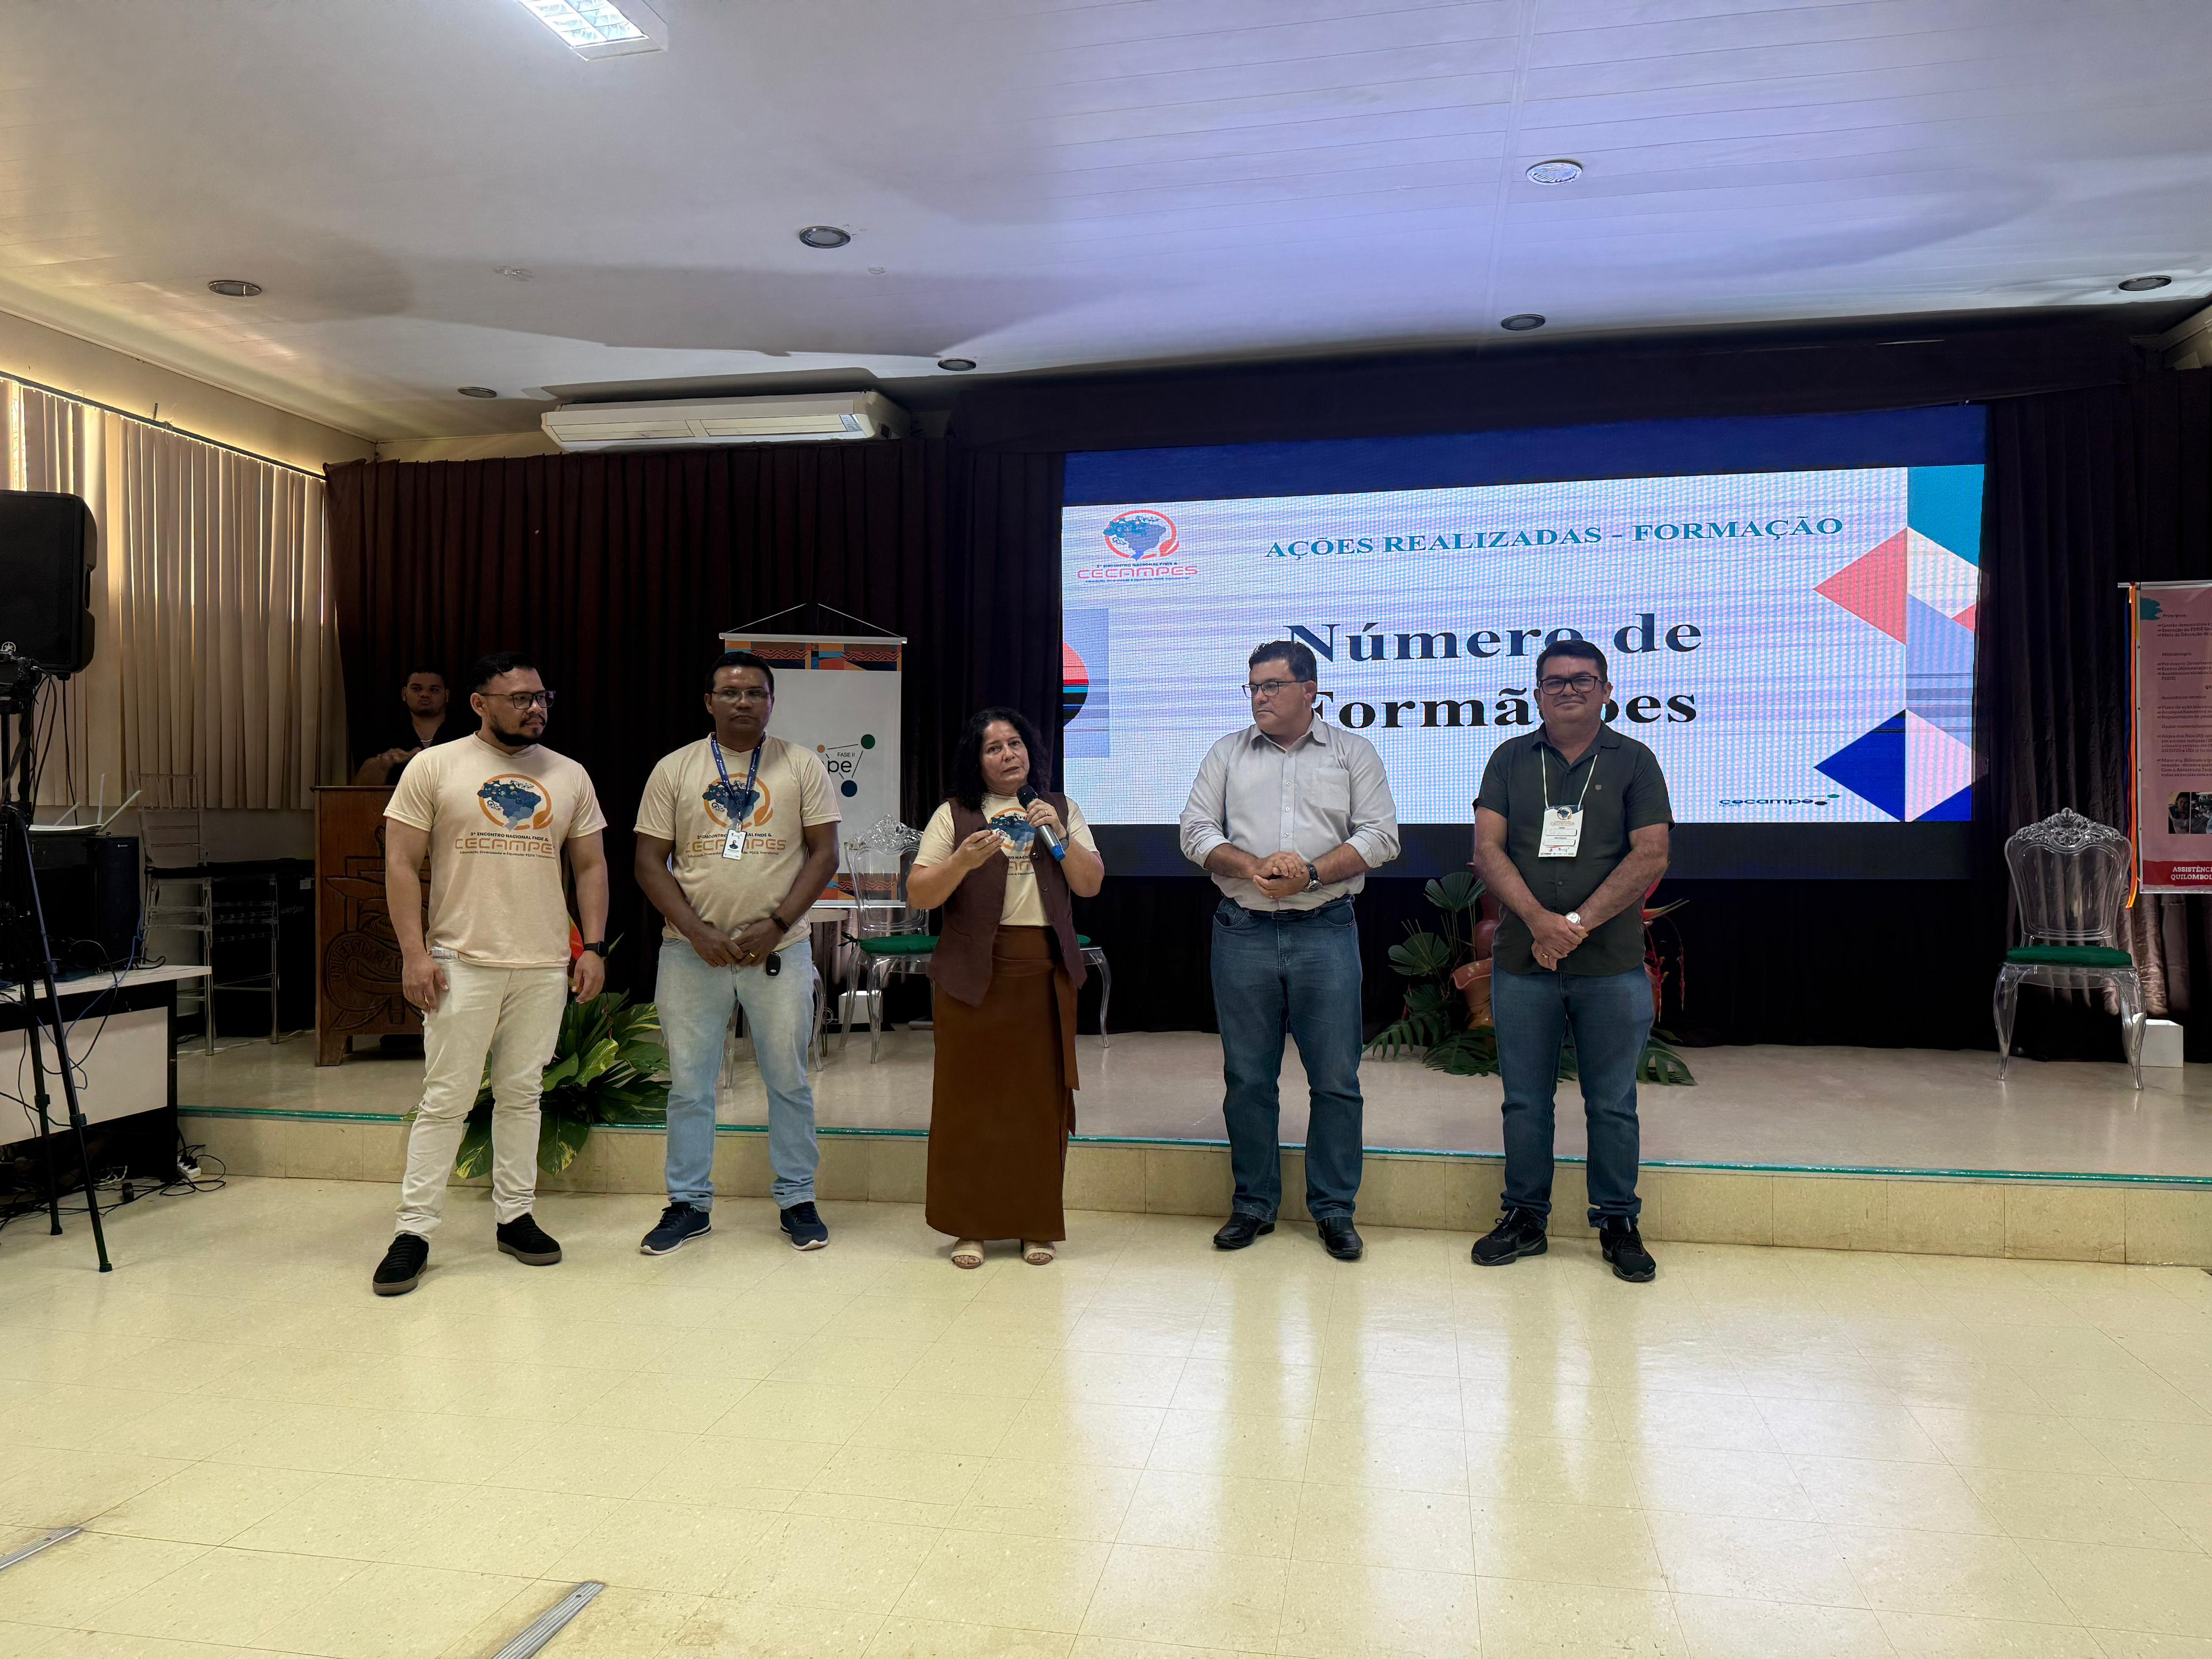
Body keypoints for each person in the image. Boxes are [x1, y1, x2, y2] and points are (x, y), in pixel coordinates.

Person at [371, 652, 609, 1296]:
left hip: (542, 962)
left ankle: (515, 1217)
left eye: (542, 697)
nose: (536, 709)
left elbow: (590, 865)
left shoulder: (569, 774)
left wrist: (591, 947)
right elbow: (400, 863)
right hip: (460, 961)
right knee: (445, 1100)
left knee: (522, 1094)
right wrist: (414, 953)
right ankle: (414, 1231)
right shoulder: (436, 766)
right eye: (520, 698)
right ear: (480, 704)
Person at [1179, 640, 1400, 1262]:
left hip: (1324, 930)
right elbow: (1194, 831)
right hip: (1242, 931)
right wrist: (1252, 866)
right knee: (1248, 1079)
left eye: (1271, 686)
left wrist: (1309, 873)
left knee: (1334, 1079)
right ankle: (1253, 1203)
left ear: (1309, 690)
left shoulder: (1352, 753)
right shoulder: (1225, 753)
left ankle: (1333, 1209)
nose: (1259, 697)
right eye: (1252, 687)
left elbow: (1381, 836)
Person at [1469, 639, 1673, 1283]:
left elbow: (1651, 853)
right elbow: (1487, 850)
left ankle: (1617, 1222)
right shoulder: (1508, 759)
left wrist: (1574, 926)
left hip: (1609, 964)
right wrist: (1537, 921)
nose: (1567, 690)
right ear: (1536, 694)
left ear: (1606, 691)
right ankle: (1524, 1217)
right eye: (1554, 681)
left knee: (1610, 1103)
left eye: (1582, 680)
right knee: (1524, 1102)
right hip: (1523, 962)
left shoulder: (1634, 760)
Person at [632, 651, 841, 1255]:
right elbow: (649, 862)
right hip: (690, 953)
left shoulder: (800, 766)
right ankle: (688, 1204)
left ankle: (797, 1198)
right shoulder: (674, 769)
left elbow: (824, 854)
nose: (743, 702)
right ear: (709, 702)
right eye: (730, 692)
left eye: (755, 693)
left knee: (788, 1081)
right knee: (689, 1086)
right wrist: (696, 932)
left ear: (772, 702)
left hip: (778, 950)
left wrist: (777, 924)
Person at [907, 707, 1103, 1268]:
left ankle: (1033, 1224)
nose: (1007, 755)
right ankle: (969, 1227)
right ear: (977, 761)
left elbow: (1089, 883)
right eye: (993, 748)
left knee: (1037, 1105)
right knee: (968, 1102)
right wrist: (961, 863)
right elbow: (920, 894)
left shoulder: (1058, 809)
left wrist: (1058, 833)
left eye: (1014, 743)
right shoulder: (954, 815)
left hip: (1040, 970)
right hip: (972, 976)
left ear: (1029, 750)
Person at [354, 664, 468, 784]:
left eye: (434, 690)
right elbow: (360, 789)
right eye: (417, 689)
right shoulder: (386, 738)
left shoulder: (465, 736)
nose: (425, 694)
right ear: (404, 694)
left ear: (447, 695)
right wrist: (383, 764)